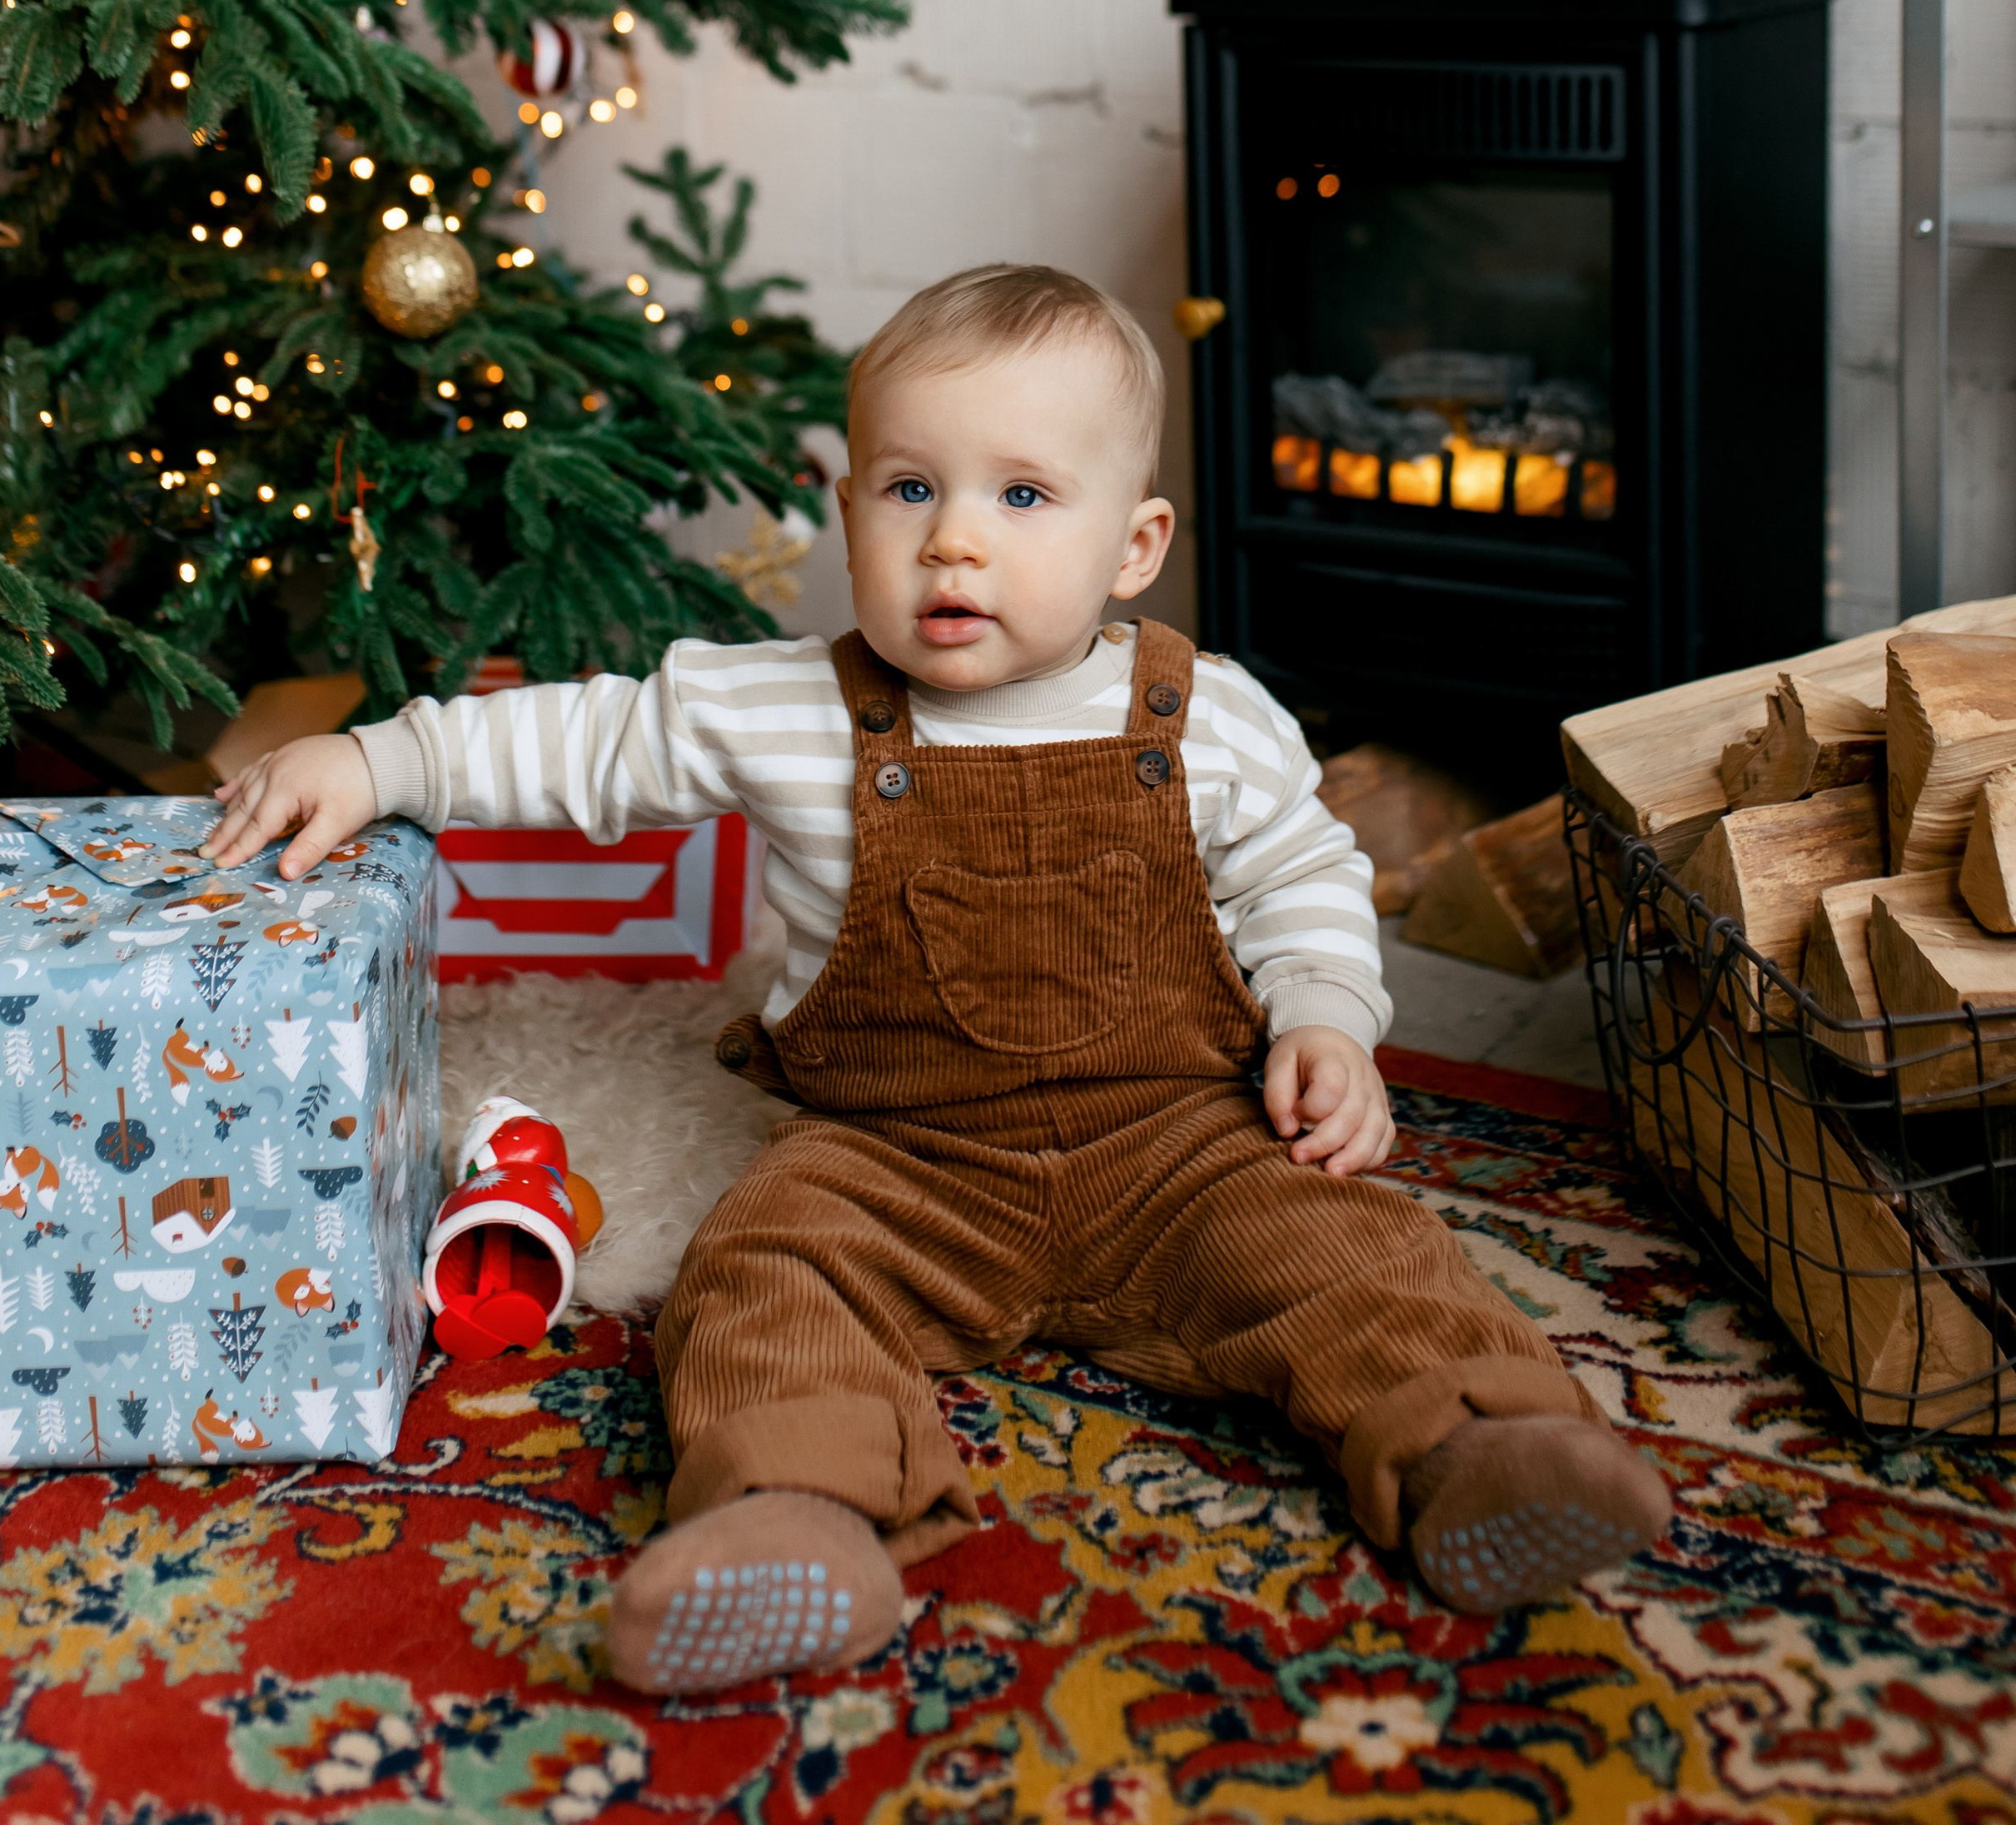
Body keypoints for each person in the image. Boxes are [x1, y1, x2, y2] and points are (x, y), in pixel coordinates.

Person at [207, 262, 1668, 1691]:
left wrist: (1331, 1022)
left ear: (1134, 543)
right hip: (897, 1160)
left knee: (1356, 1257)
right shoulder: (785, 705)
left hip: (1183, 1148)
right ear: (848, 517)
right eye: (910, 490)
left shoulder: (1208, 718)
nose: (954, 541)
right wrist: (385, 757)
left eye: (1022, 497)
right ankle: (795, 1515)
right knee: (760, 1281)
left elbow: (1304, 883)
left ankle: (1482, 1447)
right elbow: (585, 745)